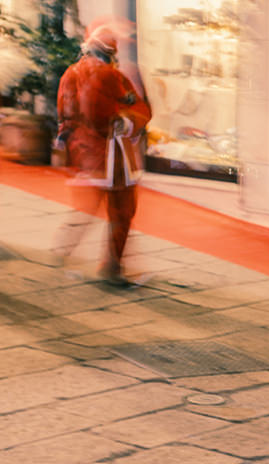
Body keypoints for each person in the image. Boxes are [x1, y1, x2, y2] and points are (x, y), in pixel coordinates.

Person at [54, 23, 151, 286]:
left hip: (84, 157)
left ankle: (62, 252)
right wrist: (128, 122)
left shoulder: (69, 74)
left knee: (85, 209)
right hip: (113, 157)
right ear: (111, 52)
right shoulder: (112, 77)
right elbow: (140, 110)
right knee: (122, 212)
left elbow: (65, 117)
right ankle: (112, 266)